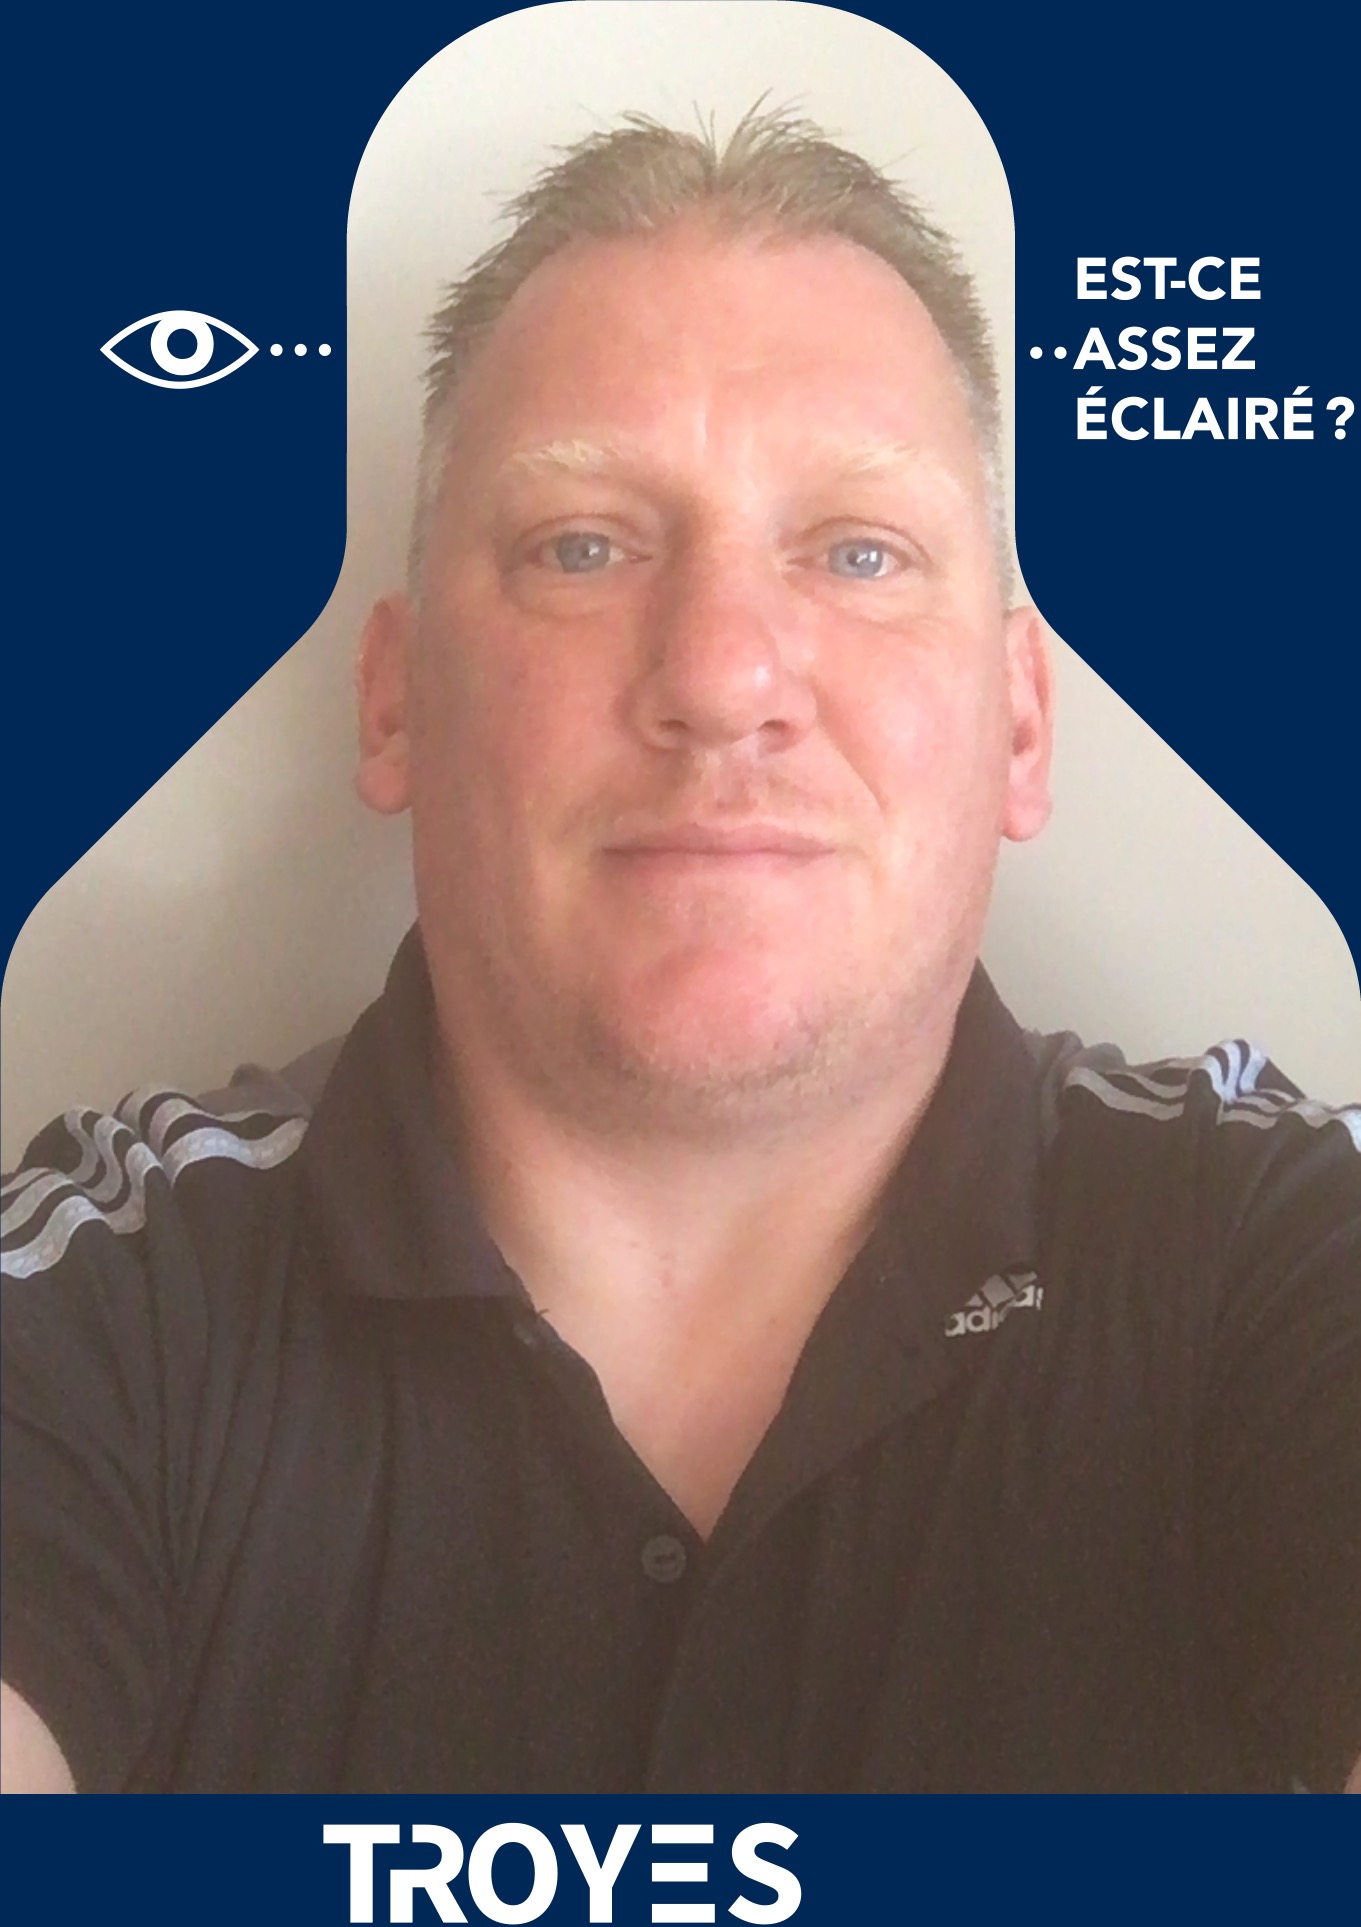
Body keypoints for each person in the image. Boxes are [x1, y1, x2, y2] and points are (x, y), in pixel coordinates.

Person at [2, 112, 1358, 1795]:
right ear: (396, 701)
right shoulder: (106, 1295)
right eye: (582, 546)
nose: (721, 677)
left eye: (856, 551)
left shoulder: (1273, 1246)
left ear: (1019, 722)